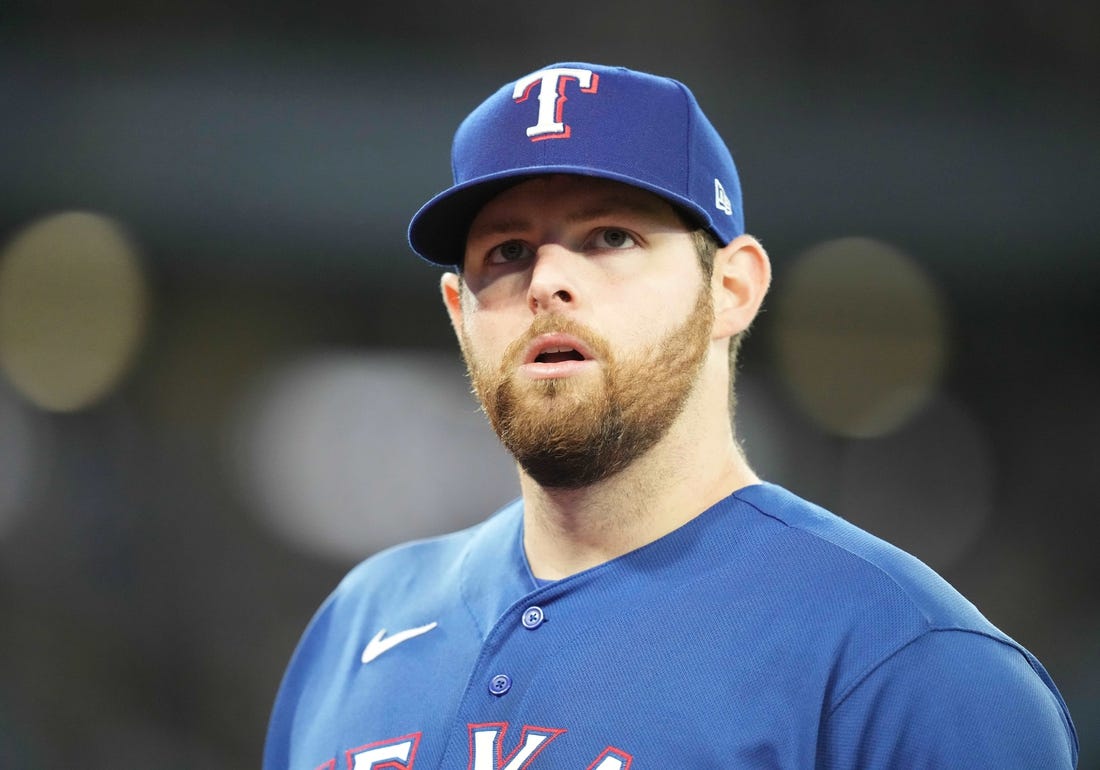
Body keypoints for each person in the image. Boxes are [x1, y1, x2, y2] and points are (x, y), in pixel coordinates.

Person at [263, 62, 1078, 769]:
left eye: (610, 237)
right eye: (505, 252)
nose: (547, 279)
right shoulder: (359, 624)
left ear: (732, 288)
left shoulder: (907, 667)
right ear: (457, 308)